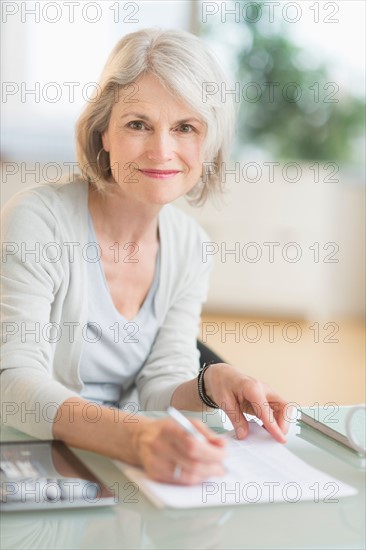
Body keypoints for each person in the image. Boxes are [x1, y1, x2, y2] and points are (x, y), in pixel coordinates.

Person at [1, 28, 290, 485]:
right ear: (104, 133)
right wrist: (135, 438)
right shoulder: (38, 220)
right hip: (33, 461)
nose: (162, 150)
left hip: (123, 468)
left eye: (185, 128)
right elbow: (14, 385)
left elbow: (159, 386)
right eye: (138, 124)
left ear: (207, 145)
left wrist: (209, 381)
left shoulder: (191, 247)